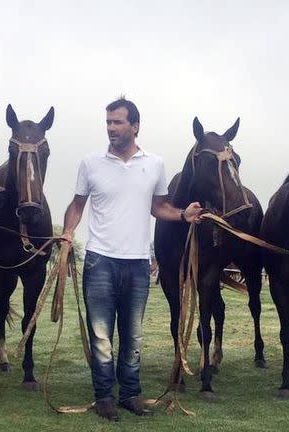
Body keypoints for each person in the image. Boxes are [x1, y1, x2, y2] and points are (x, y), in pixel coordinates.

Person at [61, 97, 202, 421]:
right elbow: (77, 205)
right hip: (99, 261)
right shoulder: (90, 163)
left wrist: (183, 214)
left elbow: (159, 207)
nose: (111, 128)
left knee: (133, 336)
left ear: (135, 126)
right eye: (108, 122)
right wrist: (68, 232)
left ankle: (130, 394)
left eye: (118, 122)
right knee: (101, 335)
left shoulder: (154, 164)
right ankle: (104, 397)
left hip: (138, 263)